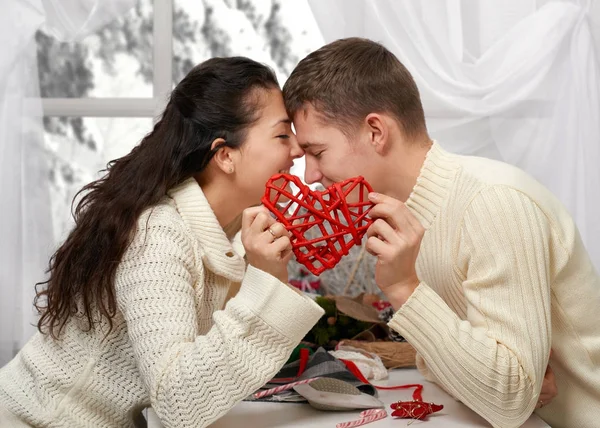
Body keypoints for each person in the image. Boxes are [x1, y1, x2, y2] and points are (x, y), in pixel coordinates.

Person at [283, 37, 600, 428]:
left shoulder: (493, 203)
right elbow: (461, 371)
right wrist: (483, 377)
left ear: (376, 131)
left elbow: (506, 401)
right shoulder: (407, 218)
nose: (310, 176)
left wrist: (404, 289)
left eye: (317, 152)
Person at [0, 57, 324, 428]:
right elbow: (178, 403)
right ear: (225, 156)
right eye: (282, 135)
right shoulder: (159, 234)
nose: (298, 150)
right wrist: (266, 281)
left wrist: (264, 275)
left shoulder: (231, 233)